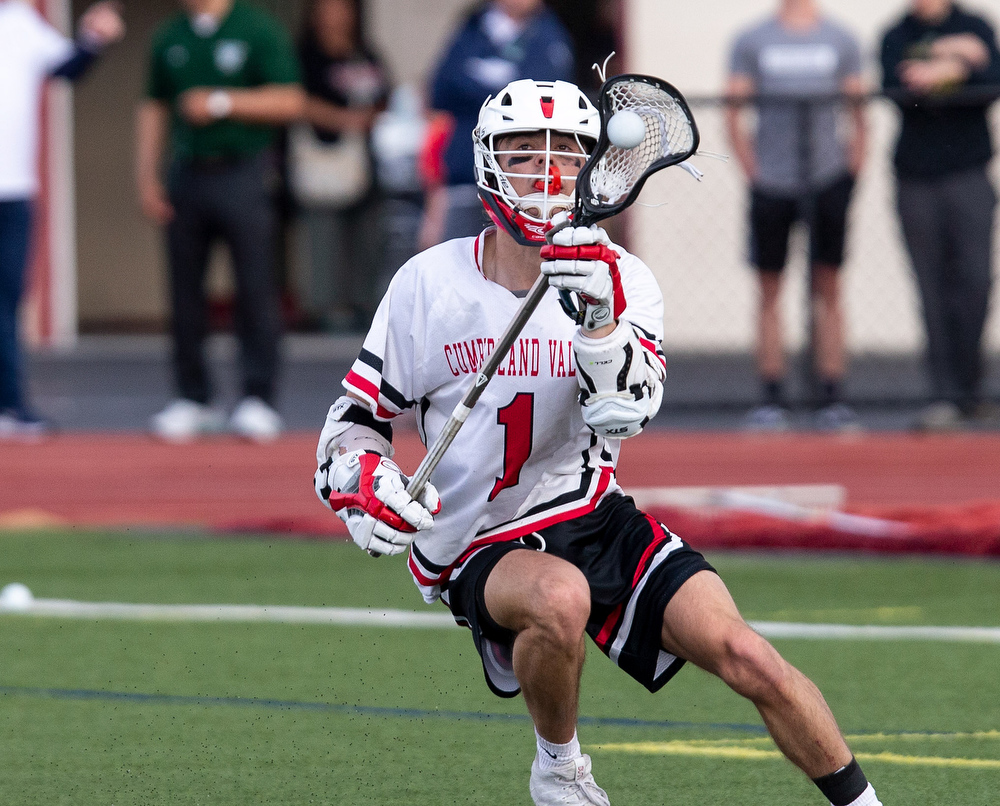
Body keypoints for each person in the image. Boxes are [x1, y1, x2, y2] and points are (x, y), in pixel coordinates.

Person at [313, 78, 883, 806]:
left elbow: (626, 417)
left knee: (749, 656)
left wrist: (601, 323)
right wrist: (362, 477)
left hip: (591, 509)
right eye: (524, 155)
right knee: (560, 597)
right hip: (476, 537)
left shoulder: (623, 279)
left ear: (594, 172)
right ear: (487, 163)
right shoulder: (429, 283)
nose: (546, 175)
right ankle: (559, 770)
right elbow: (355, 416)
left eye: (565, 157)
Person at [137, 0, 305, 442]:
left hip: (243, 169)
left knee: (254, 286)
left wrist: (220, 101)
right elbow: (153, 105)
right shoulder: (170, 35)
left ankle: (258, 396)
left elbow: (290, 99)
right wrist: (146, 174)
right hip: (188, 170)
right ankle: (193, 397)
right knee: (184, 289)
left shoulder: (256, 27)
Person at [725, 0, 867, 432]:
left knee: (830, 286)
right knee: (770, 289)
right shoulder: (752, 40)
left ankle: (832, 394)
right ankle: (772, 396)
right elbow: (733, 109)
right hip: (772, 184)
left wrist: (850, 171)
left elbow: (858, 110)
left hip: (826, 181)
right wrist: (754, 170)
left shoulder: (840, 38)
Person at [0, 0, 124, 440]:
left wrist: (94, 39)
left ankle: (11, 403)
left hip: (14, 187)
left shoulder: (21, 21)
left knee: (8, 300)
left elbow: (67, 67)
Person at [880, 0, 1000, 431]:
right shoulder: (897, 34)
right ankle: (943, 394)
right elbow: (899, 90)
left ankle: (972, 388)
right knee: (930, 285)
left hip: (969, 174)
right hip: (915, 178)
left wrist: (955, 70)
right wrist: (956, 58)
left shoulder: (976, 25)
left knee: (975, 280)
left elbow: (990, 84)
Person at [418, 0, 574, 250]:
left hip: (518, 184)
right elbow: (439, 90)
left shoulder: (549, 34)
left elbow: (543, 103)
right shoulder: (473, 25)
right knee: (457, 261)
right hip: (464, 174)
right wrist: (501, 86)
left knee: (515, 269)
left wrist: (475, 83)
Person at [293, 0, 392, 333]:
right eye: (327, 8)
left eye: (342, 8)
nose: (335, 16)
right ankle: (325, 310)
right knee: (324, 239)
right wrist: (342, 119)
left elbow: (386, 95)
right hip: (322, 159)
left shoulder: (365, 53)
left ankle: (364, 306)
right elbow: (295, 101)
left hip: (366, 160)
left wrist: (373, 116)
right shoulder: (305, 55)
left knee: (369, 238)